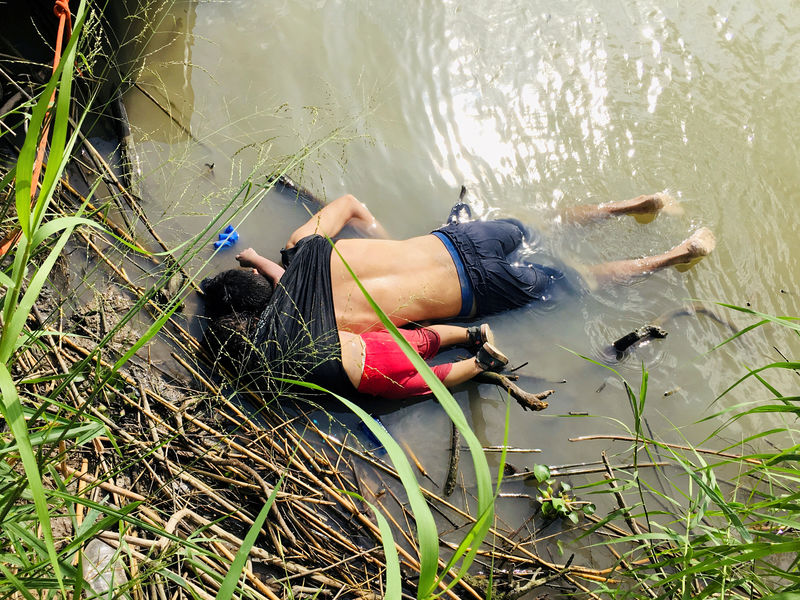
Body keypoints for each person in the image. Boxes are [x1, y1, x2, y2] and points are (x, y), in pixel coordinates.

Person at [201, 191, 716, 397]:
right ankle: (632, 206)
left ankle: (675, 255)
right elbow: (353, 203)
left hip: (478, 290)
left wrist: (470, 357)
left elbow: (411, 348)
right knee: (538, 226)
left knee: (581, 279)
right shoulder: (302, 246)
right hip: (459, 240)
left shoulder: (326, 334)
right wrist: (388, 239)